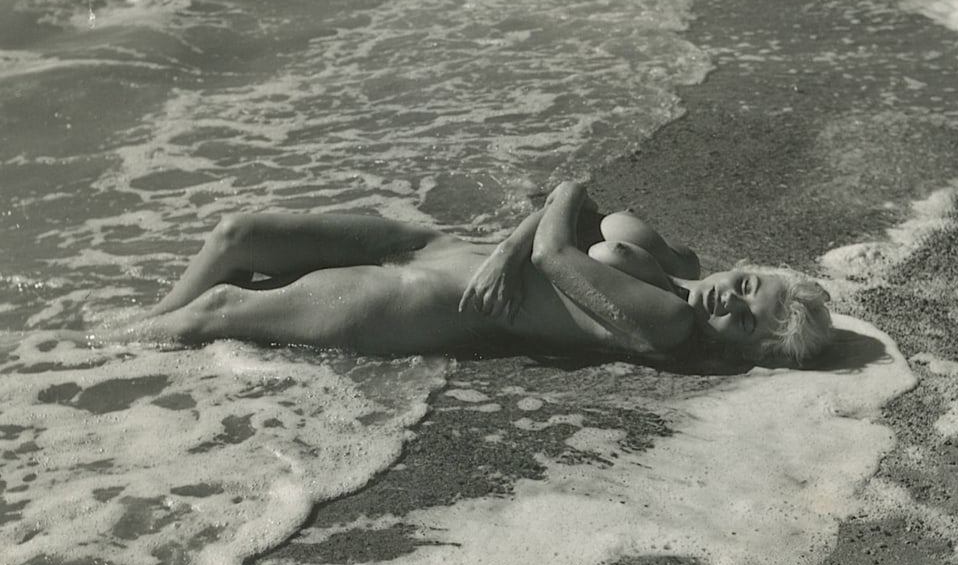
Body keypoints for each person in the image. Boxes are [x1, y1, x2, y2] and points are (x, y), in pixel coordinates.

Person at [135, 181, 833, 365]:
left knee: (218, 311)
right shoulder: (676, 266)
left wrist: (557, 203)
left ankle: (101, 359)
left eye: (743, 324)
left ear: (746, 350)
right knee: (239, 233)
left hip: (430, 299)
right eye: (747, 289)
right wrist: (518, 239)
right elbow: (558, 225)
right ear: (745, 269)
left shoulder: (671, 325)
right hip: (439, 247)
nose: (727, 304)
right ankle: (126, 336)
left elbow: (554, 250)